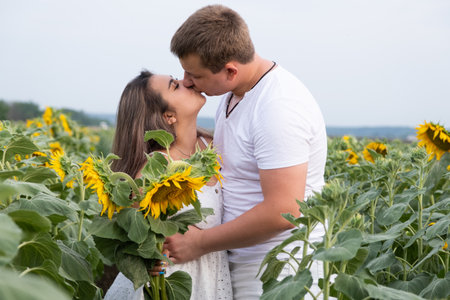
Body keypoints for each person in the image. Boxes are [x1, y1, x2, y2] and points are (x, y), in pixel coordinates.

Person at [164, 4, 328, 299]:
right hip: (244, 265)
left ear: (230, 70)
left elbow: (285, 210)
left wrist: (199, 243)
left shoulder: (278, 107)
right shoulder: (236, 93)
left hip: (281, 271)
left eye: (194, 74)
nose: (187, 81)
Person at [104, 70, 233, 300]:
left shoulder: (212, 145)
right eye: (175, 86)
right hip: (168, 287)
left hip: (212, 280)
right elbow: (135, 239)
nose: (186, 82)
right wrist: (147, 259)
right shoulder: (154, 169)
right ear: (168, 116)